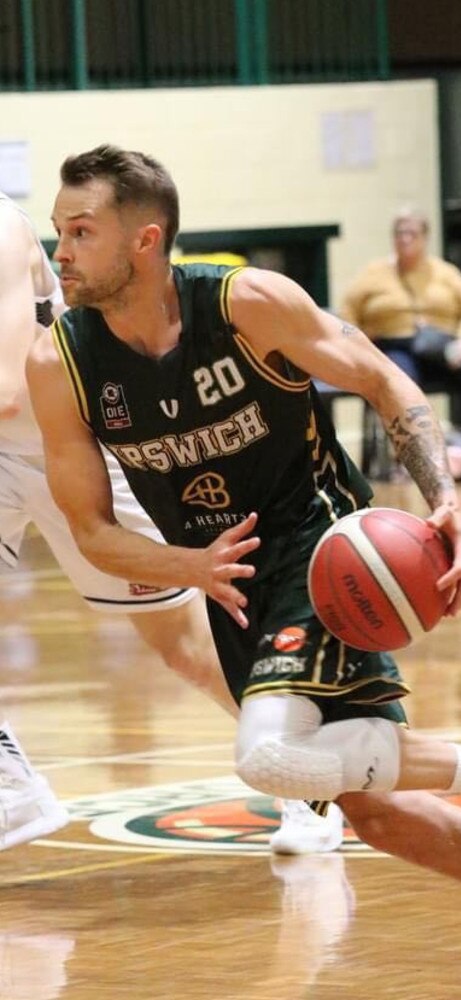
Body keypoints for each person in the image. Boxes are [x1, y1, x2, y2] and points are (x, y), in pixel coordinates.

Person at [24, 145, 461, 999]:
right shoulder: (59, 361)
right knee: (385, 818)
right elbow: (93, 531)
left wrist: (444, 500)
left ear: (146, 240)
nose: (60, 250)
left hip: (321, 551)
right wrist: (187, 565)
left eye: (81, 231)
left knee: (270, 761)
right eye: (58, 231)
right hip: (229, 582)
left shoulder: (247, 304)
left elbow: (388, 384)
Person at [0, 190, 343, 856]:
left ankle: (300, 771)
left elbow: (9, 389)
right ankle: (13, 784)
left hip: (64, 446)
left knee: (186, 649)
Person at [340, 207, 461, 431]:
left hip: (441, 347)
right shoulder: (372, 273)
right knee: (402, 381)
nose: (405, 239)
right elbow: (348, 314)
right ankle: (410, 452)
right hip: (395, 347)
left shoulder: (446, 273)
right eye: (399, 233)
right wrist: (362, 346)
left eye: (412, 233)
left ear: (425, 237)